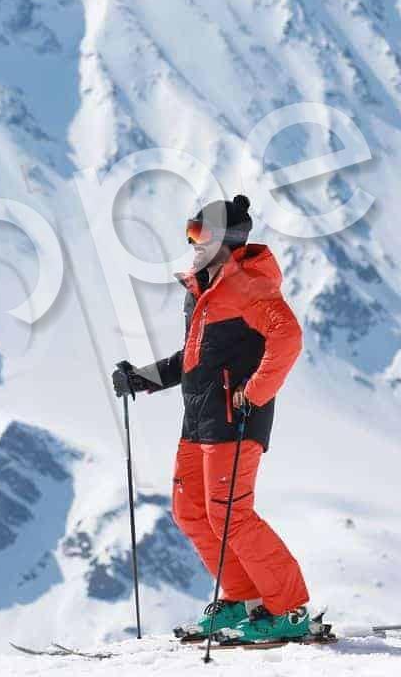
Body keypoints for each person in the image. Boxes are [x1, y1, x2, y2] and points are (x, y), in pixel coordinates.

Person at [111, 194, 311, 643]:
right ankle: (242, 598)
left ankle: (291, 608)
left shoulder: (250, 287)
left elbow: (289, 337)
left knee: (231, 515)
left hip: (234, 419)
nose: (191, 243)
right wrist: (140, 378)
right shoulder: (205, 292)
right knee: (191, 512)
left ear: (226, 240)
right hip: (199, 419)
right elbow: (194, 359)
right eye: (189, 232)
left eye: (199, 234)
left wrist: (255, 392)